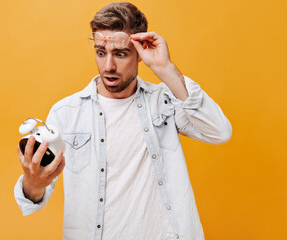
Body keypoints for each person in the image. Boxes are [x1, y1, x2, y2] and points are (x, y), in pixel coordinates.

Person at [14, 2, 232, 240]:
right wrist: (33, 183)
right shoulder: (66, 112)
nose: (108, 66)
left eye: (120, 54)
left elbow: (219, 132)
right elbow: (34, 198)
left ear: (139, 53)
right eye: (100, 53)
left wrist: (166, 69)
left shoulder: (164, 101)